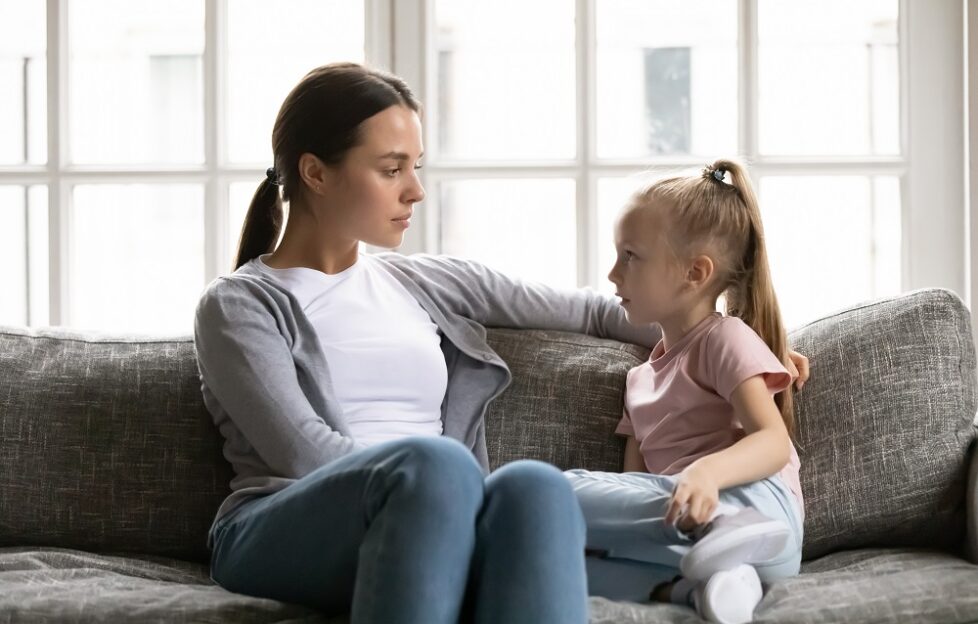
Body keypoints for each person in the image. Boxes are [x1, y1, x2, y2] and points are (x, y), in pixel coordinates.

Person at [193, 62, 810, 623]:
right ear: (315, 174)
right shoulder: (239, 307)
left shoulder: (425, 281)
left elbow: (601, 312)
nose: (415, 190)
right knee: (438, 466)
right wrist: (447, 494)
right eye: (391, 169)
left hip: (438, 503)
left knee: (535, 488)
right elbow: (303, 457)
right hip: (284, 525)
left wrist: (742, 342)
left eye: (417, 167)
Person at [566, 160, 807, 624]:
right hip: (692, 542)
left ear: (695, 273)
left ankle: (722, 531)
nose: (614, 274)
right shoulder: (639, 380)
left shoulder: (724, 338)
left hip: (757, 512)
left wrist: (706, 476)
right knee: (564, 560)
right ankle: (703, 591)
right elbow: (635, 490)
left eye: (630, 256)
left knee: (549, 490)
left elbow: (774, 442)